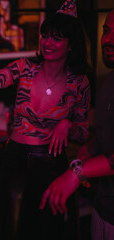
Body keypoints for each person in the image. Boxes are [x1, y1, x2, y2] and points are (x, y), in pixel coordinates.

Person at [0, 0, 90, 239]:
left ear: (70, 46)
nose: (47, 42)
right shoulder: (24, 68)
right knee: (12, 230)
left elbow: (84, 133)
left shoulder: (80, 82)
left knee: (49, 231)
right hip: (15, 159)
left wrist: (68, 124)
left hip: (53, 163)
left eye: (56, 38)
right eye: (45, 36)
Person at [40, 9, 114, 240]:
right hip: (103, 209)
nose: (108, 40)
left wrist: (76, 173)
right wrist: (90, 148)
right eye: (106, 31)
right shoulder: (107, 81)